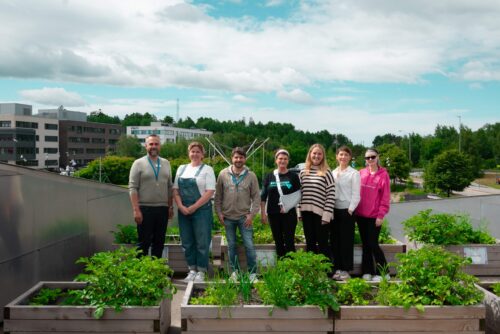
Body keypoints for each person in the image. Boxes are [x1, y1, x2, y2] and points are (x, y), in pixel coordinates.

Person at [214, 147, 260, 281]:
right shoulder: (223, 174)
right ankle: (234, 272)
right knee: (231, 245)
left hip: (244, 217)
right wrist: (219, 213)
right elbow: (218, 196)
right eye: (236, 157)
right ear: (231, 158)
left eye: (241, 157)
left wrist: (251, 215)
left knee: (249, 245)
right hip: (228, 217)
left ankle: (252, 273)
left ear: (245, 159)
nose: (238, 160)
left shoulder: (251, 175)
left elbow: (256, 197)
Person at [173, 142, 216, 283]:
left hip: (201, 211)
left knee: (202, 241)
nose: (195, 154)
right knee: (187, 241)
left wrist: (194, 207)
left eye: (198, 151)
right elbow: (176, 190)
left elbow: (210, 192)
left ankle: (202, 271)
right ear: (188, 153)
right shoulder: (181, 168)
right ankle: (192, 269)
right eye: (192, 151)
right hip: (184, 211)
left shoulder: (207, 169)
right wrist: (180, 206)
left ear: (202, 154)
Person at [129, 134, 173, 258]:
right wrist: (136, 210)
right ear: (146, 146)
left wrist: (170, 207)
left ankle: (155, 272)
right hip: (145, 209)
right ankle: (139, 273)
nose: (154, 146)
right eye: (151, 144)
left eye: (156, 144)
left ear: (160, 146)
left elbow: (169, 187)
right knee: (144, 243)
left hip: (162, 209)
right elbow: (133, 188)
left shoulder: (166, 163)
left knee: (159, 243)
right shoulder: (138, 163)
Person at [355, 148, 391, 282]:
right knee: (366, 244)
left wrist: (381, 215)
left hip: (374, 216)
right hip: (360, 215)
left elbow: (385, 198)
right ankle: (367, 271)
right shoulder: (361, 173)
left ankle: (384, 273)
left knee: (373, 244)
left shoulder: (383, 175)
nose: (370, 160)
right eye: (367, 158)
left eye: (372, 157)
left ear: (378, 157)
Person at [260, 149, 301, 258]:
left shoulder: (293, 176)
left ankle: (291, 266)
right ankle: (282, 267)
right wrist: (263, 214)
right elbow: (263, 196)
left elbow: (298, 196)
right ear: (276, 160)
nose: (282, 161)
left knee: (289, 241)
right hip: (273, 213)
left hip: (289, 214)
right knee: (278, 240)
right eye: (280, 158)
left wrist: (297, 212)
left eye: (285, 159)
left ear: (288, 161)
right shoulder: (269, 176)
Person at [298, 143, 335, 261]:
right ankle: (313, 270)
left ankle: (326, 272)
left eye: (319, 154)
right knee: (310, 243)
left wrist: (327, 215)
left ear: (323, 156)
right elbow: (298, 194)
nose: (316, 156)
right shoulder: (303, 172)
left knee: (323, 243)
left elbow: (331, 194)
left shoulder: (327, 172)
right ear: (310, 154)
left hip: (321, 214)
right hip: (306, 213)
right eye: (314, 153)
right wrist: (299, 212)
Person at [331, 146, 360, 281]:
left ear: (349, 157)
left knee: (347, 241)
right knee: (335, 241)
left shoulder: (354, 173)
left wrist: (350, 209)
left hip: (347, 211)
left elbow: (356, 194)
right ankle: (337, 268)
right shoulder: (332, 172)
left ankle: (346, 270)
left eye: (346, 155)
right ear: (337, 157)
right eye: (341, 154)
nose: (343, 157)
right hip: (333, 210)